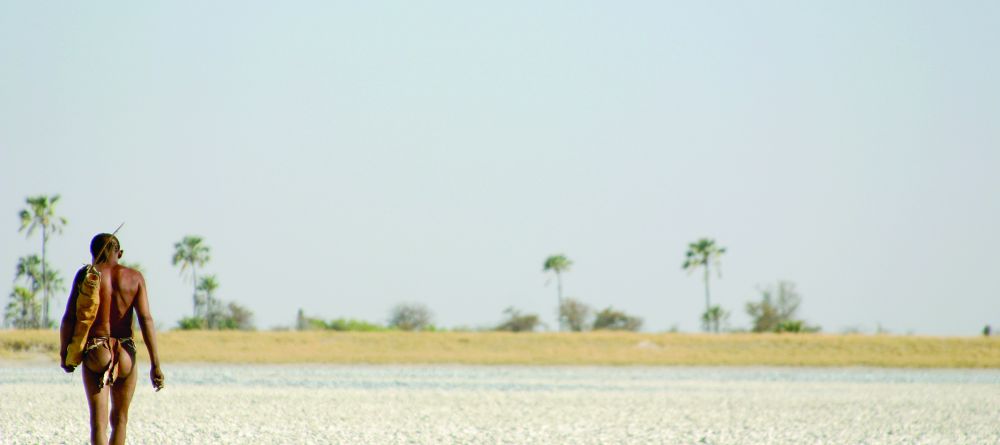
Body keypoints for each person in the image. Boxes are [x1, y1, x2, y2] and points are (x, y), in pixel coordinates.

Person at [59, 233, 165, 445]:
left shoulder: (87, 275)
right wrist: (156, 365)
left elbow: (69, 318)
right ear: (120, 253)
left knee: (99, 424)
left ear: (93, 254)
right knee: (121, 420)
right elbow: (146, 319)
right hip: (125, 353)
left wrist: (64, 354)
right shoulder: (135, 278)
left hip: (97, 351)